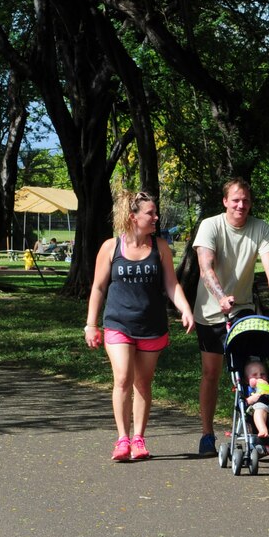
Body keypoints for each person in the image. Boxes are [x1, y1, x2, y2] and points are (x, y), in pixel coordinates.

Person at [85, 190, 194, 462]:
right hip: (118, 323)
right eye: (151, 213)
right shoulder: (111, 247)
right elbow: (98, 288)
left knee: (143, 383)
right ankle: (122, 439)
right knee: (122, 377)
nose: (156, 217)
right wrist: (91, 324)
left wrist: (185, 308)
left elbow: (171, 284)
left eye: (155, 213)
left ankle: (139, 439)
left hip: (152, 325)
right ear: (133, 217)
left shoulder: (160, 248)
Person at [192, 177, 269, 456]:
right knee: (211, 373)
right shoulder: (210, 226)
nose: (240, 205)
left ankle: (258, 430)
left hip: (243, 311)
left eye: (245, 200)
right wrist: (220, 296)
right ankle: (207, 435)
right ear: (225, 201)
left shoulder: (261, 227)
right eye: (235, 199)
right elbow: (205, 267)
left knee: (252, 374)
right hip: (210, 312)